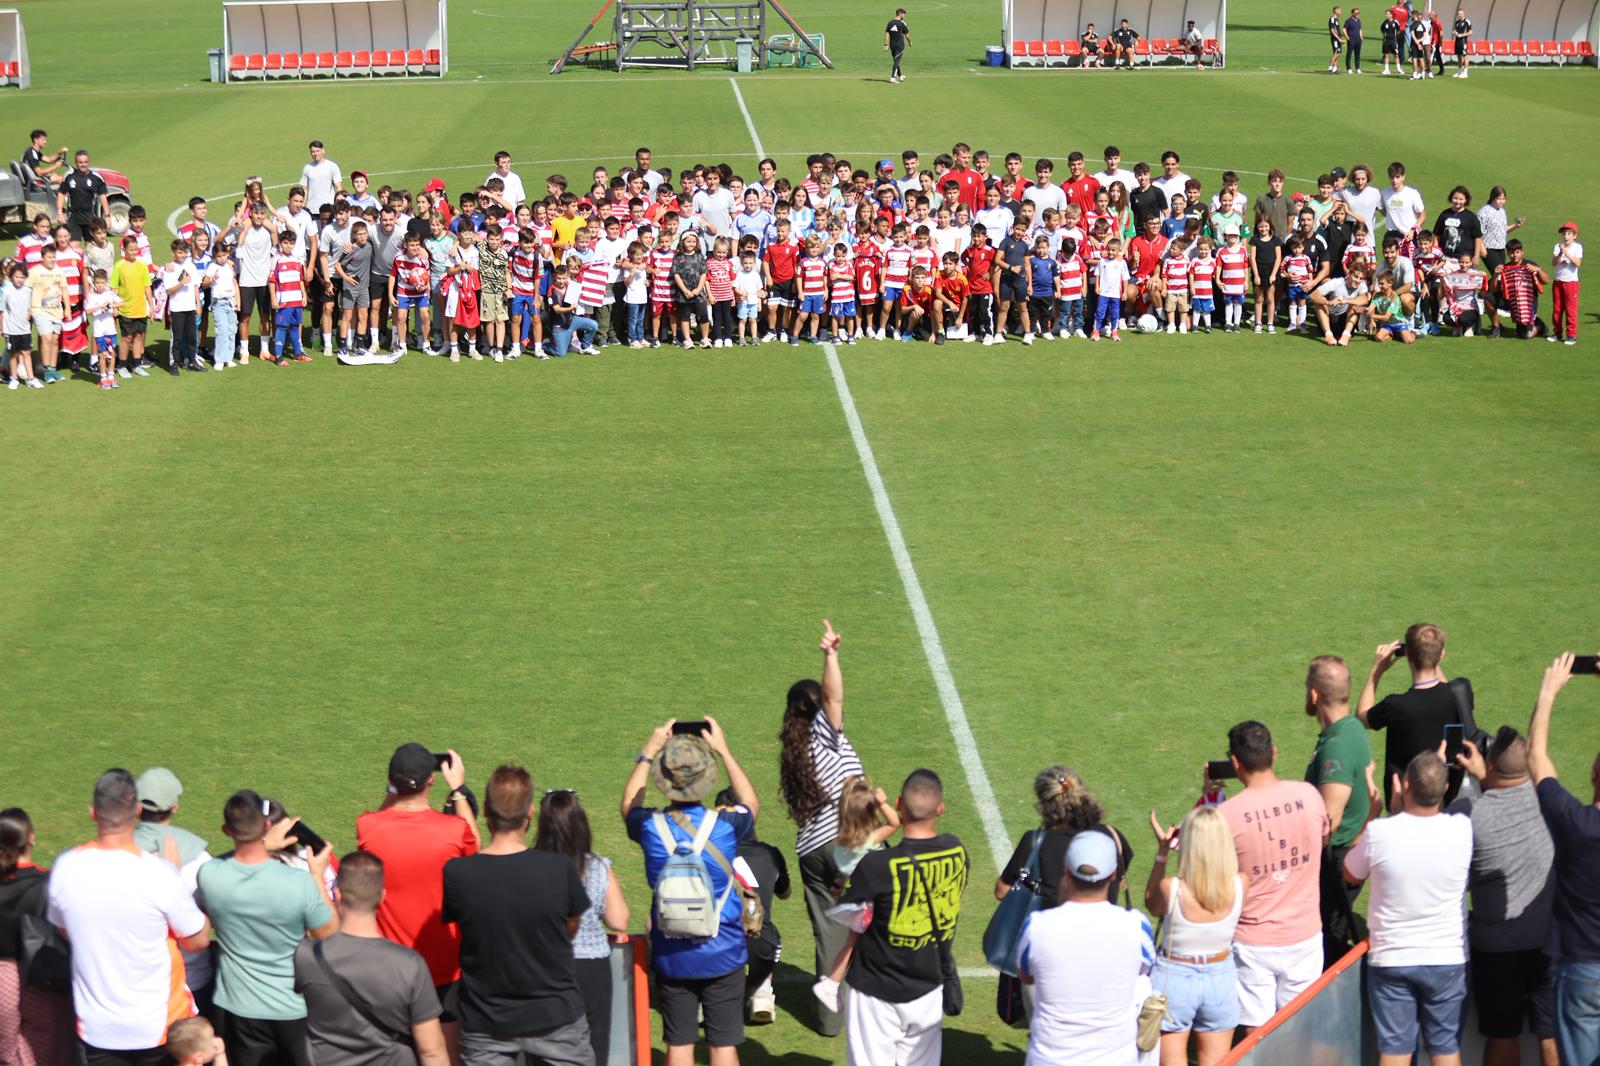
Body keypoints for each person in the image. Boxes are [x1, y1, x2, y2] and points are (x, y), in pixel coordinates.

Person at [47, 769, 212, 1066]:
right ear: (136, 811)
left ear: (91, 812)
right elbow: (198, 939)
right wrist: (175, 878)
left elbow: (65, 930)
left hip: (98, 1029)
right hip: (161, 1027)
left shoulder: (65, 868)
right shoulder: (160, 874)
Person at [623, 717, 759, 1066]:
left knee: (679, 1046)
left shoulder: (649, 827)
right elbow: (752, 805)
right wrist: (724, 750)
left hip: (672, 953)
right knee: (723, 1046)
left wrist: (648, 752)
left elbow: (628, 809)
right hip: (724, 948)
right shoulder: (726, 827)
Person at [443, 766, 593, 1066]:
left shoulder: (458, 873)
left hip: (486, 1020)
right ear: (530, 813)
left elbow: (465, 926)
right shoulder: (559, 869)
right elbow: (570, 927)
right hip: (555, 1014)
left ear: (485, 810)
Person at [1343, 753, 1472, 1066]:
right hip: (1446, 959)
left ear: (1405, 785)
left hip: (1392, 959)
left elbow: (1349, 872)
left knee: (1395, 1049)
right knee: (1444, 1046)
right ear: (1444, 790)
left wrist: (1375, 815)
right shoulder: (1462, 830)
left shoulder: (1380, 832)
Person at [356, 745, 480, 1064]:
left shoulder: (369, 826)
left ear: (391, 781)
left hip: (389, 967)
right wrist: (459, 790)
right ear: (432, 781)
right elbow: (475, 849)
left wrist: (393, 790)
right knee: (446, 1050)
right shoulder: (453, 830)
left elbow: (379, 819)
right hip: (444, 964)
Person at [197, 790, 339, 1066]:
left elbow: (230, 861)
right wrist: (317, 877)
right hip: (294, 1007)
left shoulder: (210, 875)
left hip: (238, 1008)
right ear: (266, 825)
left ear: (226, 830)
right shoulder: (300, 884)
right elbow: (330, 935)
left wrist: (264, 844)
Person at [837, 770, 968, 1066]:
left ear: (898, 804)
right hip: (929, 987)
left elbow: (850, 917)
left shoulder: (876, 866)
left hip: (875, 991)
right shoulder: (957, 849)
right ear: (941, 808)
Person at [1447, 727, 1558, 1066]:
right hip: (1547, 945)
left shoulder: (1469, 812)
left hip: (1494, 951)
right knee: (1550, 1034)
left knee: (1502, 1035)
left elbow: (1452, 879)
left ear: (1491, 767)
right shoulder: (1551, 803)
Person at [777, 619, 861, 1038]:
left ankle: (829, 1021)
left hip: (811, 850)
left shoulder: (794, 752)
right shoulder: (824, 734)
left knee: (830, 930)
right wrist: (831, 654)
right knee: (881, 911)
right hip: (848, 843)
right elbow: (835, 695)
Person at [1217, 721, 1330, 1030]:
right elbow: (1322, 839)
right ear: (1274, 753)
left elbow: (1211, 868)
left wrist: (1208, 797)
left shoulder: (1227, 815)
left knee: (1258, 1035)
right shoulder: (1309, 795)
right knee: (1303, 1028)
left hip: (1253, 942)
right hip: (1305, 935)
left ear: (1236, 763)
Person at [292, 852, 451, 1066]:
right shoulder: (409, 964)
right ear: (382, 897)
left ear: (338, 895)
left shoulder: (306, 956)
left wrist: (316, 877)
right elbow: (432, 1051)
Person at [1016, 829, 1153, 1066]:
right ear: (1113, 876)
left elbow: (1026, 976)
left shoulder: (1037, 927)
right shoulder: (1137, 926)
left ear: (1067, 871)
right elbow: (1144, 973)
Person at [1527, 652, 1600, 1066]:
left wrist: (1548, 693)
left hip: (1581, 971)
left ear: (1593, 777)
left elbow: (1537, 758)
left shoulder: (1576, 824)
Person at [534, 788, 629, 1065]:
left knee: (543, 1044)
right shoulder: (598, 867)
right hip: (591, 969)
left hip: (542, 964)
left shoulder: (530, 866)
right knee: (594, 1044)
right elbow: (618, 920)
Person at [1143, 808, 1244, 1066]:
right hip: (1221, 975)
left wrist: (1162, 852)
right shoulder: (1242, 883)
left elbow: (1151, 904)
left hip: (1175, 976)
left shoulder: (1171, 888)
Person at [1358, 622, 1476, 811]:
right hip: (1450, 800)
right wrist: (1430, 654)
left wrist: (1376, 671)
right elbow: (1447, 689)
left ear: (1409, 657)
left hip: (1405, 805)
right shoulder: (1462, 691)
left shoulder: (1395, 705)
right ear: (1442, 655)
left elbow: (1362, 717)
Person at [1303, 656, 1373, 967]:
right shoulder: (1352, 729)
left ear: (1315, 694)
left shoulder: (1338, 747)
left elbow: (1328, 822)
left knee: (1328, 946)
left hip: (1334, 864)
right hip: (1346, 854)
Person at [132, 768, 216, 1014]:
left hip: (137, 984)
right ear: (175, 807)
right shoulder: (200, 859)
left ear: (138, 808)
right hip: (193, 981)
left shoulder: (117, 857)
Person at [996, 766, 1133, 906]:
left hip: (1050, 926)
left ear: (1043, 803)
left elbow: (1002, 891)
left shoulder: (1036, 841)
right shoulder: (1112, 836)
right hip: (1105, 926)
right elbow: (1119, 880)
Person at [0, 808, 73, 1066]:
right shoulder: (48, 881)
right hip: (41, 974)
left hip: (3, 977)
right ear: (31, 838)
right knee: (50, 1042)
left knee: (5, 1049)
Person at [711, 787, 788, 1025]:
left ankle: (703, 1000)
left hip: (714, 941)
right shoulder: (770, 853)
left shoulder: (704, 852)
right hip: (758, 940)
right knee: (768, 930)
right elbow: (785, 893)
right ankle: (761, 992)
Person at [56, 150, 110, 242]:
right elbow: (61, 194)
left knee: (92, 247)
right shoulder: (69, 176)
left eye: (85, 162)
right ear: (75, 163)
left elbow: (103, 198)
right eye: (80, 162)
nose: (83, 165)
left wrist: (108, 216)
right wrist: (60, 213)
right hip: (73, 218)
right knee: (73, 247)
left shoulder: (96, 178)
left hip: (90, 219)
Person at [1550, 221, 1582, 346]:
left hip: (1571, 283)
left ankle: (1571, 335)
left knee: (1570, 310)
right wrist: (1560, 253)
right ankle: (1557, 333)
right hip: (1558, 281)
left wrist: (1567, 253)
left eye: (1569, 233)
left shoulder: (1577, 247)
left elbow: (1577, 263)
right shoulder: (1558, 246)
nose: (1566, 236)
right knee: (1557, 309)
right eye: (1564, 233)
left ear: (1574, 236)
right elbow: (1554, 263)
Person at [300, 141, 345, 213]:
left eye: (317, 151)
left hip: (329, 208)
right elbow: (304, 189)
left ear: (323, 151)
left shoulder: (332, 166)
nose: (315, 154)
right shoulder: (307, 168)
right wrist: (302, 206)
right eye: (313, 152)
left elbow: (338, 187)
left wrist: (340, 205)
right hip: (312, 209)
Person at [884, 8, 910, 83]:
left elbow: (887, 33)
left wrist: (885, 43)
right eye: (903, 14)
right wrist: (910, 42)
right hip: (900, 45)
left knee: (896, 60)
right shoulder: (902, 24)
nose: (904, 15)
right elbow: (907, 35)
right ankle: (893, 77)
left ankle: (900, 76)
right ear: (900, 14)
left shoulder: (890, 23)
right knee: (897, 61)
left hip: (892, 45)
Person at [1451, 8, 1472, 76]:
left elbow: (1470, 32)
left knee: (1465, 56)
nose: (1458, 15)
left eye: (1460, 14)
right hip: (1457, 41)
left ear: (1463, 14)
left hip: (1463, 41)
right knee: (1459, 57)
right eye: (1458, 14)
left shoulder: (1467, 21)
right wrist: (1454, 32)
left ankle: (1465, 72)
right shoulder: (1457, 22)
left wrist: (1462, 35)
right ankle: (1459, 71)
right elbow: (1455, 30)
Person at [1327, 6, 1346, 73]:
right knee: (1336, 52)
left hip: (1338, 39)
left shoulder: (1337, 19)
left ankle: (1335, 68)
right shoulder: (1332, 19)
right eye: (1340, 11)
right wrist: (1338, 38)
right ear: (1336, 11)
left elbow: (1336, 30)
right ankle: (1330, 67)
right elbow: (1332, 30)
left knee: (1338, 53)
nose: (1341, 12)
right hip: (1335, 39)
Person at [1344, 7, 1364, 72]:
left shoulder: (1358, 20)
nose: (1358, 14)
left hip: (1358, 40)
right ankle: (1349, 68)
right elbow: (1344, 29)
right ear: (1352, 13)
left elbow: (1360, 29)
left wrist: (1361, 37)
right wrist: (1347, 37)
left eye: (1358, 13)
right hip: (1351, 40)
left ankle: (1357, 68)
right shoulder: (1348, 21)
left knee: (1357, 55)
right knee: (1349, 54)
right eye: (1356, 13)